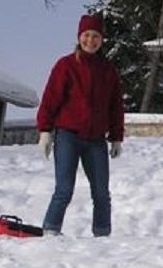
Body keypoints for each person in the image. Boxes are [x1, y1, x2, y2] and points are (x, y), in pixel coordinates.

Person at [36, 14, 125, 236]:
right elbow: (50, 98)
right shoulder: (66, 65)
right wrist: (45, 132)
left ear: (102, 39)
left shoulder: (108, 70)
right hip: (68, 136)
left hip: (95, 140)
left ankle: (102, 235)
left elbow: (115, 106)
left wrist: (116, 137)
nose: (91, 40)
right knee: (64, 189)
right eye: (86, 35)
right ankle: (51, 231)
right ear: (79, 37)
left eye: (96, 36)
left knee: (102, 193)